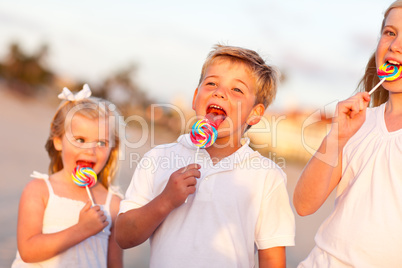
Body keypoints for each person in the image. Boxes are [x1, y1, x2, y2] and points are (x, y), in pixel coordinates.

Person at [115, 44, 295, 267]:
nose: (219, 92)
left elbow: (273, 260)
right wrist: (165, 201)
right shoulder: (158, 158)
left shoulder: (266, 176)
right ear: (195, 96)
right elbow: (123, 236)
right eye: (211, 83)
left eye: (237, 90)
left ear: (255, 114)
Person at [294, 1, 402, 267]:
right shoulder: (359, 122)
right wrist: (337, 138)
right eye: (390, 32)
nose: (395, 45)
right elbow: (304, 204)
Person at [12, 84, 123, 267]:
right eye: (80, 140)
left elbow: (115, 264)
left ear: (112, 149)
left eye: (101, 143)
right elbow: (28, 251)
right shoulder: (39, 191)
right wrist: (82, 229)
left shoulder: (114, 205)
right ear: (58, 141)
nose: (90, 150)